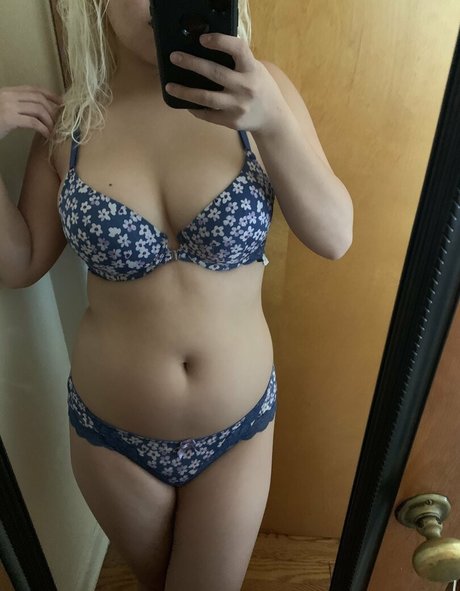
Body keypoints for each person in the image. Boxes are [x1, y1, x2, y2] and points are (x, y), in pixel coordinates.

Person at [0, 1, 353, 589]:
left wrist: (272, 122)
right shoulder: (71, 121)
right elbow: (21, 263)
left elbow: (335, 237)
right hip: (110, 439)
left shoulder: (263, 92)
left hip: (236, 432)